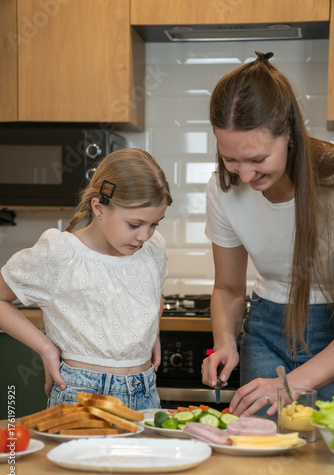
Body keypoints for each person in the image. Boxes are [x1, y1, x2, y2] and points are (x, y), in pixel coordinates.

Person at [201, 51, 334, 417]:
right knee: (259, 453)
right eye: (230, 159)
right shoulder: (222, 189)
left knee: (323, 460)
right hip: (265, 328)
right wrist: (225, 342)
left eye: (258, 159)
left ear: (289, 135)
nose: (244, 177)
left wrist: (292, 384)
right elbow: (228, 287)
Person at [0, 148, 173, 411]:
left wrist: (152, 334)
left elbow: (152, 294)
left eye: (154, 224)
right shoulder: (61, 253)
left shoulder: (153, 249)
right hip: (82, 395)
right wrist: (46, 348)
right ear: (99, 208)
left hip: (145, 392)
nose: (144, 236)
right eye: (135, 224)